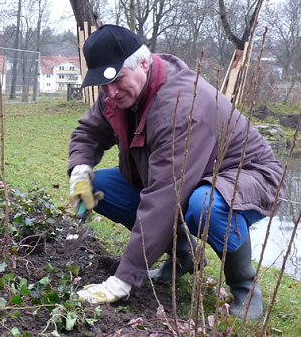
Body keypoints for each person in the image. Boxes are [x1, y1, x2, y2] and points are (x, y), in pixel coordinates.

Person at [68, 24, 285, 320]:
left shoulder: (181, 105)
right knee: (98, 184)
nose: (110, 93)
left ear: (143, 63)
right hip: (184, 177)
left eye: (117, 81)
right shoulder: (119, 92)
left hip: (245, 176)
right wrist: (80, 172)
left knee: (204, 205)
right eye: (104, 86)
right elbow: (89, 133)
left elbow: (164, 197)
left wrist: (122, 280)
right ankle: (184, 256)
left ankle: (245, 290)